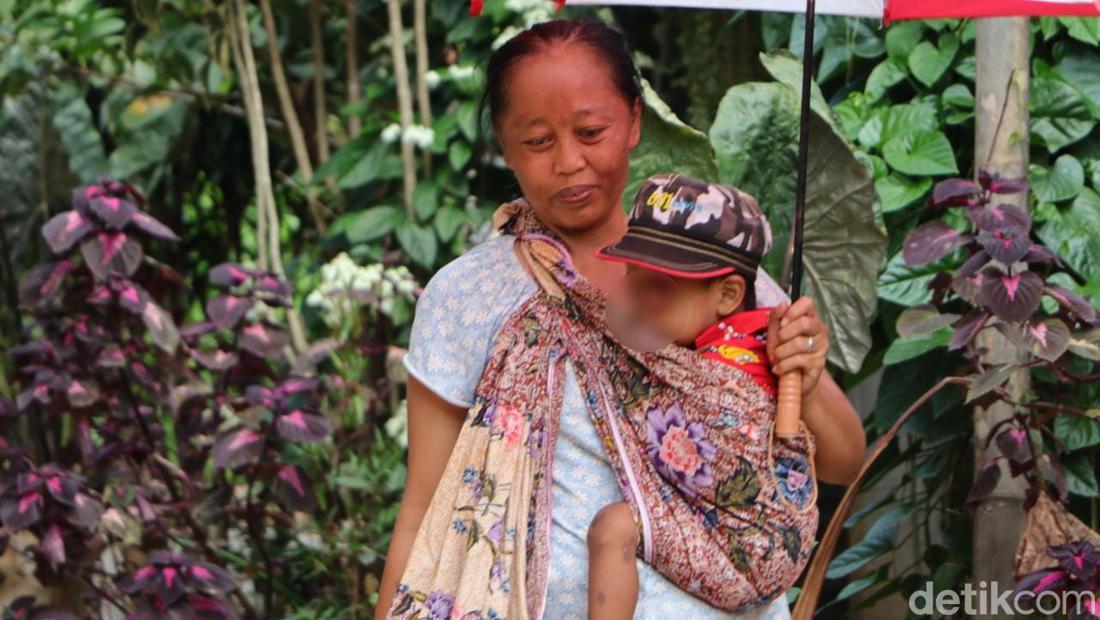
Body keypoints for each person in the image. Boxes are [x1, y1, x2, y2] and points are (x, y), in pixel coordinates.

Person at [374, 19, 865, 620]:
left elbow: (841, 462)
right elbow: (423, 509)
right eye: (536, 141)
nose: (569, 161)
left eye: (590, 131)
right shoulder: (467, 297)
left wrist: (805, 376)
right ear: (503, 145)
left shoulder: (717, 277)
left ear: (633, 121)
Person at [584, 172, 818, 619]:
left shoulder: (759, 350)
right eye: (634, 277)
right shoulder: (746, 338)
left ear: (729, 293)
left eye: (659, 287)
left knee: (613, 527)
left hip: (752, 546)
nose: (634, 297)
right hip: (759, 559)